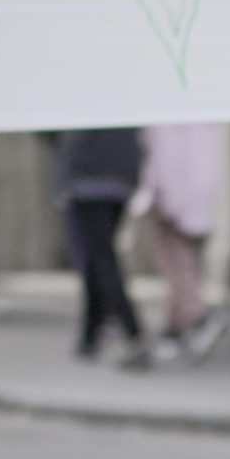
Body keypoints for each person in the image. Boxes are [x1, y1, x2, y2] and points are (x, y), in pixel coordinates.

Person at [56, 126, 148, 370]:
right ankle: (90, 335)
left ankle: (134, 334)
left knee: (101, 257)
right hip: (121, 173)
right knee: (96, 257)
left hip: (87, 176)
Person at [136, 122, 225, 357]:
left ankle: (197, 319)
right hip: (196, 197)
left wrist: (165, 197)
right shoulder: (204, 121)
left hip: (175, 197)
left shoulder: (172, 119)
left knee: (177, 266)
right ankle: (174, 330)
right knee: (185, 264)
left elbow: (168, 156)